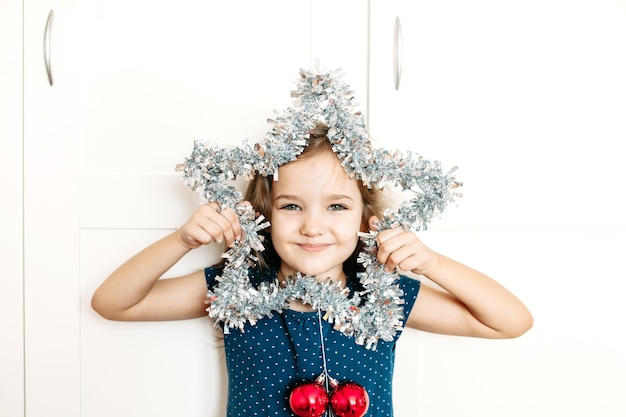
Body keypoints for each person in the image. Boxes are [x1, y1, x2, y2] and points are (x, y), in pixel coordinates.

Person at [91, 126, 533, 417]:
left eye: (337, 206)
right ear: (264, 213)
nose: (313, 226)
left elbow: (511, 321)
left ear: (365, 219)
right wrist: (181, 241)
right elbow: (113, 303)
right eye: (291, 206)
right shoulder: (237, 288)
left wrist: (432, 263)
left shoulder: (383, 296)